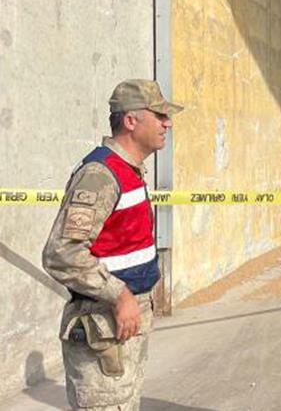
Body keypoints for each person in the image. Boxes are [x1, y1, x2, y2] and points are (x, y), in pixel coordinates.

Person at [43, 79, 182, 410]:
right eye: (159, 115)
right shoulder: (101, 174)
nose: (168, 123)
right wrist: (119, 295)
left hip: (121, 326)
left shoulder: (129, 171)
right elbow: (61, 253)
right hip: (102, 325)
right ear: (131, 121)